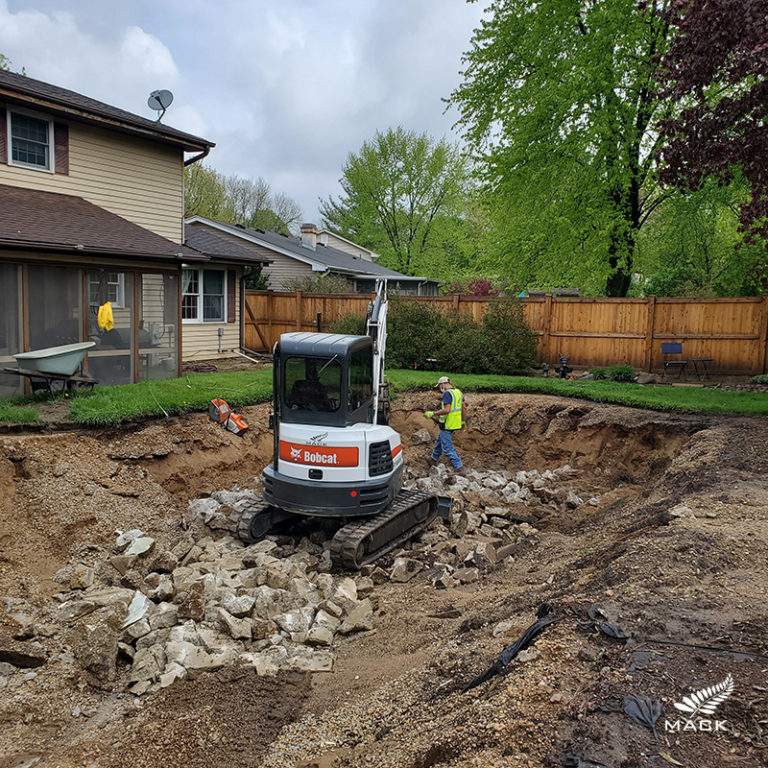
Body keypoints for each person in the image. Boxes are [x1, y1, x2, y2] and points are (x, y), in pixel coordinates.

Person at [424, 375, 465, 474]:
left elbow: (447, 410)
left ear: (443, 384)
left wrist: (433, 413)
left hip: (447, 424)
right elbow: (464, 408)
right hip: (455, 423)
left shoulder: (447, 394)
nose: (439, 388)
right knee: (440, 440)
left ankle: (459, 467)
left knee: (447, 447)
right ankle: (433, 459)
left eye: (439, 386)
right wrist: (463, 421)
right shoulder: (458, 392)